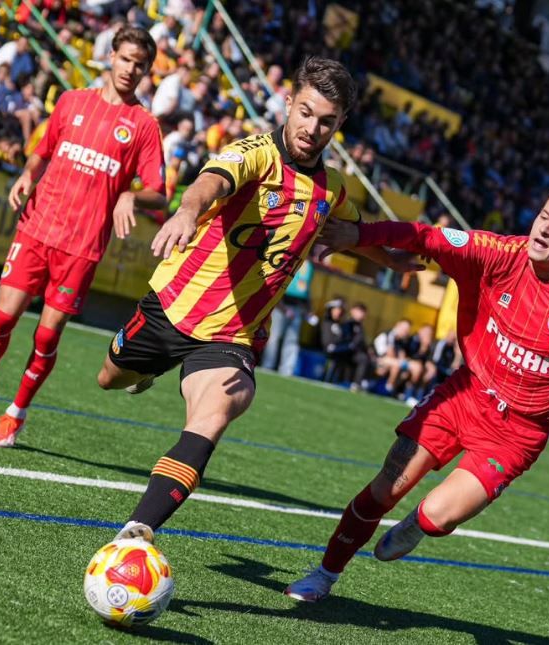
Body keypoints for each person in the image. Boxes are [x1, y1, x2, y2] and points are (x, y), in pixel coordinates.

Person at [284, 185, 549, 602]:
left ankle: (417, 525)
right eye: (543, 216)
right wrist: (359, 238)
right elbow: (426, 236)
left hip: (517, 433)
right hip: (464, 394)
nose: (544, 230)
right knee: (385, 489)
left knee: (437, 516)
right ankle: (324, 575)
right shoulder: (496, 252)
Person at [93, 57, 418, 546]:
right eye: (305, 112)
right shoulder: (254, 153)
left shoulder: (330, 189)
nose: (312, 128)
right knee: (108, 379)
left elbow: (350, 229)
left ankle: (135, 533)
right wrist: (186, 212)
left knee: (220, 408)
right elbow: (210, 183)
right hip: (173, 309)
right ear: (288, 104)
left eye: (326, 121)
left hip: (233, 335)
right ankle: (148, 370)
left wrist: (387, 259)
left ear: (340, 124)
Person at [0, 27, 166, 447]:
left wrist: (129, 195)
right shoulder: (72, 103)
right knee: (3, 318)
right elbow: (42, 150)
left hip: (82, 246)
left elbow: (158, 191)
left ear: (146, 70)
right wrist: (28, 174)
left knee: (47, 336)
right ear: (110, 57)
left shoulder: (143, 126)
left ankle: (16, 411)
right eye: (125, 59)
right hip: (37, 227)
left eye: (140, 64)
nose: (131, 69)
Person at [261, 258, 314, 376]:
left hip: (297, 308)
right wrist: (281, 306)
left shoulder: (308, 266)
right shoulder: (290, 260)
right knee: (274, 337)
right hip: (282, 305)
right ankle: (268, 365)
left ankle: (287, 370)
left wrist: (309, 309)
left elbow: (306, 289)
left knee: (292, 340)